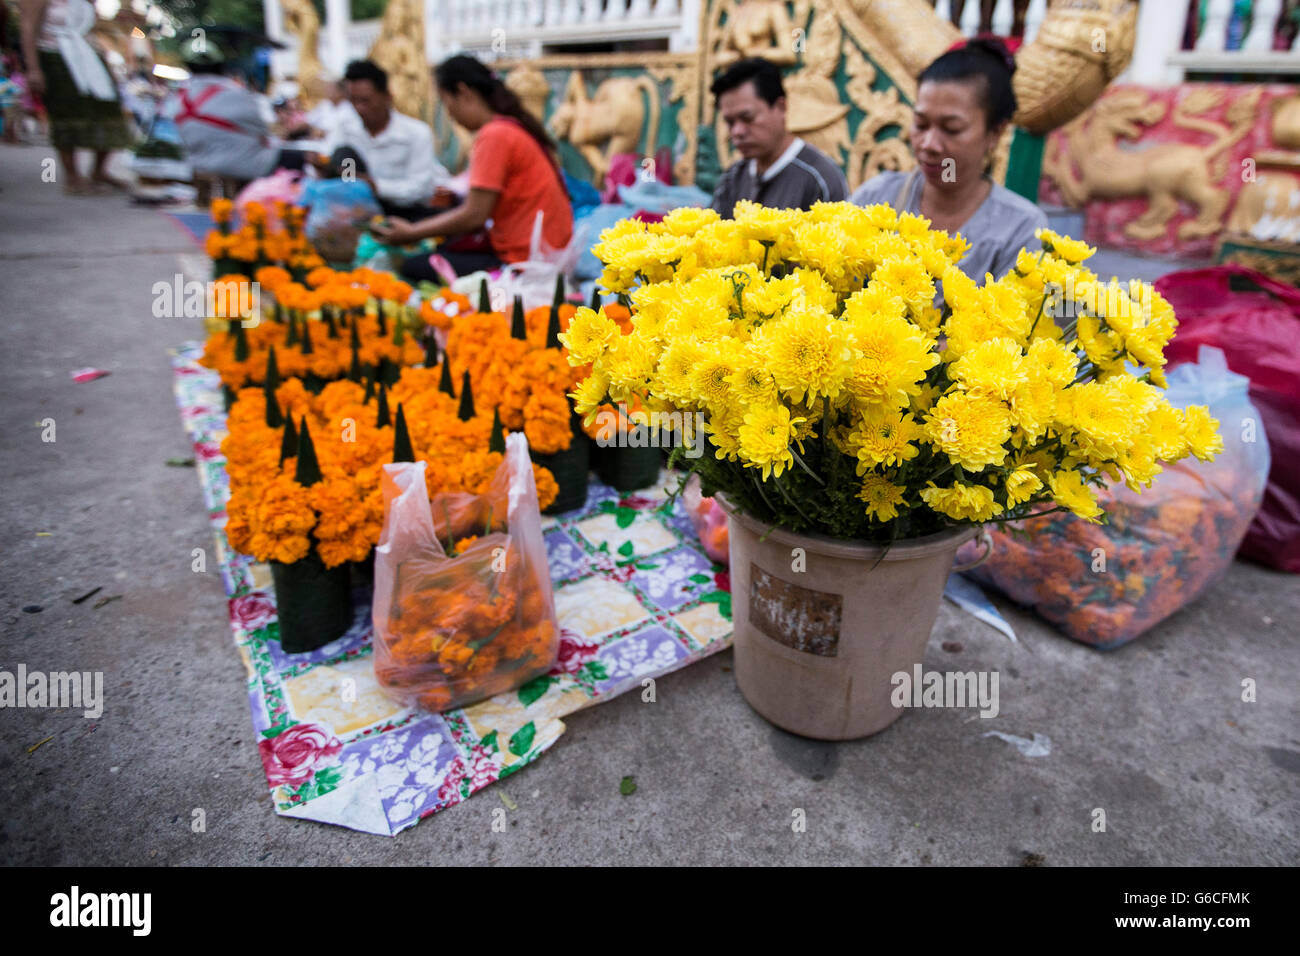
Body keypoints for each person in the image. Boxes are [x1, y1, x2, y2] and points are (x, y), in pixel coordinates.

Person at [851, 38, 1047, 285]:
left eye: (951, 129)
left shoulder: (1020, 229)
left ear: (995, 133)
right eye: (921, 124)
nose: (929, 144)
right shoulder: (876, 197)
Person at [373, 54, 574, 282]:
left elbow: (474, 216)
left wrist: (411, 233)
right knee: (444, 236)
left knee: (415, 266)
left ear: (464, 92)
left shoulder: (494, 135)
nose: (450, 115)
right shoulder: (509, 127)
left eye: (448, 104)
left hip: (524, 262)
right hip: (543, 253)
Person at [709, 57, 848, 218]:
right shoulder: (732, 178)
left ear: (781, 107)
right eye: (730, 122)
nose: (737, 131)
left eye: (747, 118)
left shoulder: (819, 179)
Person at [17, 0, 131, 194]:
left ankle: (99, 172)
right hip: (55, 57)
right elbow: (28, 29)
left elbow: (91, 31)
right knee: (67, 117)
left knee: (110, 114)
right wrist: (33, 68)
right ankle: (73, 178)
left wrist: (108, 67)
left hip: (89, 58)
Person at [166, 35, 306, 186]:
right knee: (301, 159)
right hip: (246, 163)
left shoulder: (176, 99)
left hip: (196, 162)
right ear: (221, 65)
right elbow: (262, 130)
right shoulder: (234, 93)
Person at [321, 59, 446, 221]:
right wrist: (323, 166)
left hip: (403, 214)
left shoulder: (416, 133)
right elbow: (336, 164)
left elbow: (420, 190)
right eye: (354, 101)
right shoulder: (345, 128)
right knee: (344, 153)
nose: (359, 108)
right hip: (357, 212)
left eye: (365, 101)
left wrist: (374, 186)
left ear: (387, 97)